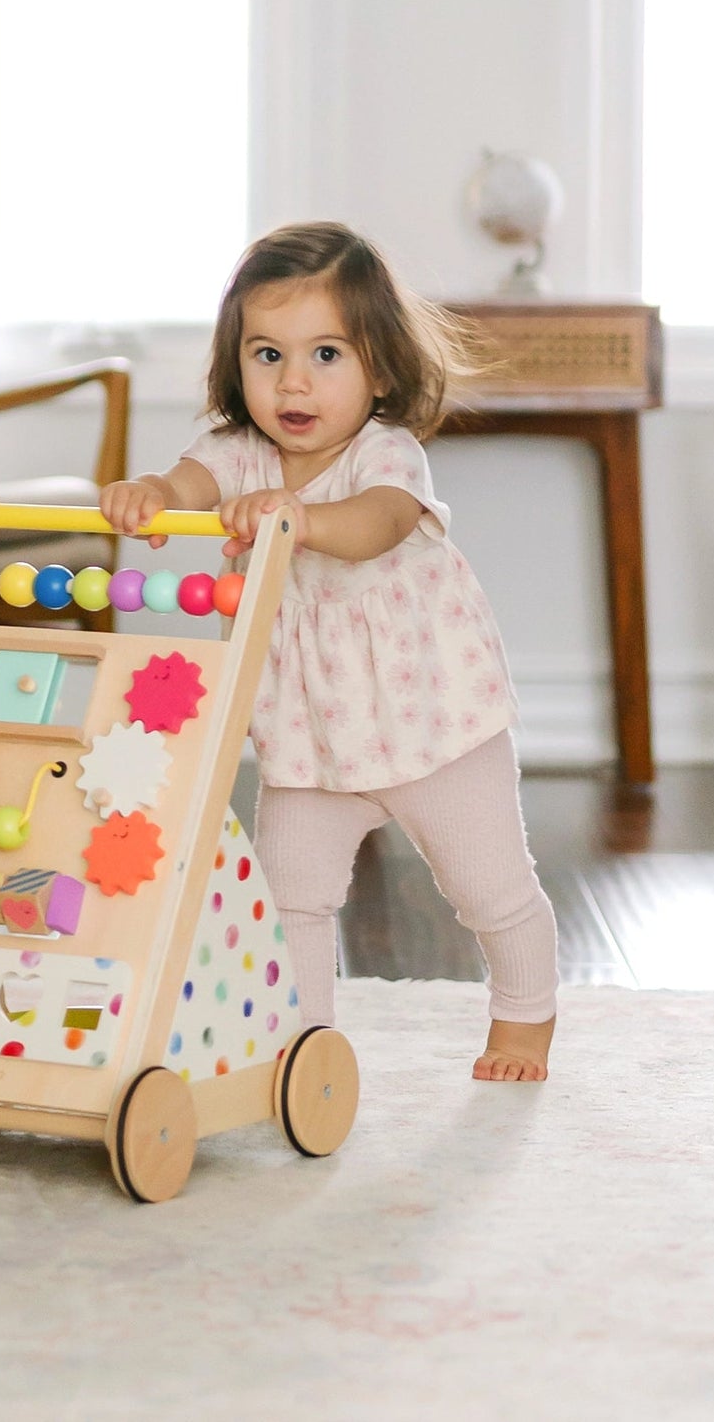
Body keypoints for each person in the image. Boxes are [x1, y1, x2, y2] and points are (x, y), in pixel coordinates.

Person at [99, 221, 558, 1081]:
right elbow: (187, 482)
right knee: (289, 899)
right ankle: (297, 1045)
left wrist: (300, 518)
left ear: (377, 367)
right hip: (309, 731)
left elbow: (377, 525)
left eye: (326, 356)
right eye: (266, 356)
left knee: (487, 885)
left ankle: (524, 1018)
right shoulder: (240, 456)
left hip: (430, 719)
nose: (293, 382)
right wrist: (152, 495)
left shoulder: (384, 454)